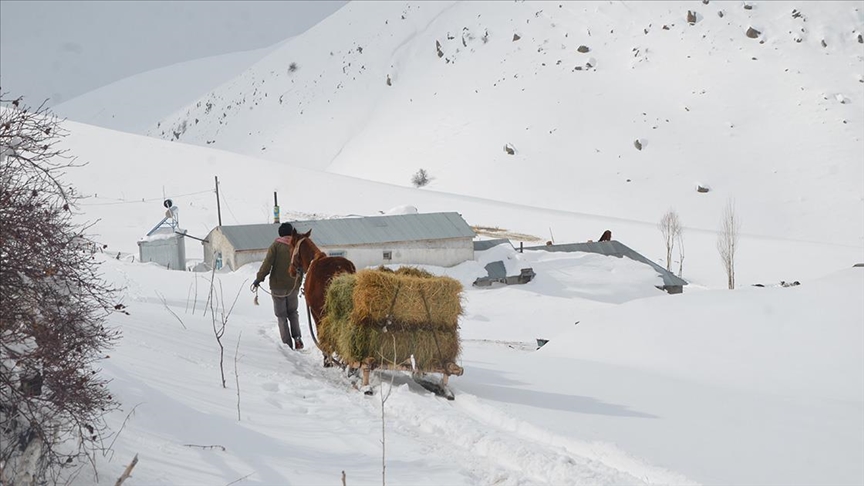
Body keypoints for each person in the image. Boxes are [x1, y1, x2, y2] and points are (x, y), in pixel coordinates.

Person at [252, 222, 304, 350]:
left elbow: (267, 264)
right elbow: (302, 266)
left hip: (277, 287)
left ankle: (287, 345)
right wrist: (299, 283)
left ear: (280, 234)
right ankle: (297, 338)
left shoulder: (275, 246)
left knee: (281, 316)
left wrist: (258, 279)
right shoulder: (297, 246)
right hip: (293, 286)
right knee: (293, 313)